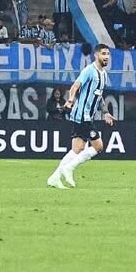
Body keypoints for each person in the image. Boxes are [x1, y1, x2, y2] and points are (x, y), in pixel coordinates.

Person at [46, 43, 112, 188]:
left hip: (87, 115)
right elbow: (75, 85)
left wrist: (105, 112)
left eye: (108, 54)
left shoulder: (103, 74)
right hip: (82, 115)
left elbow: (99, 96)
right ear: (96, 55)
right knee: (98, 146)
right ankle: (69, 169)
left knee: (77, 149)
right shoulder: (89, 70)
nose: (106, 57)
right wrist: (70, 99)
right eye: (103, 54)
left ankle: (54, 178)